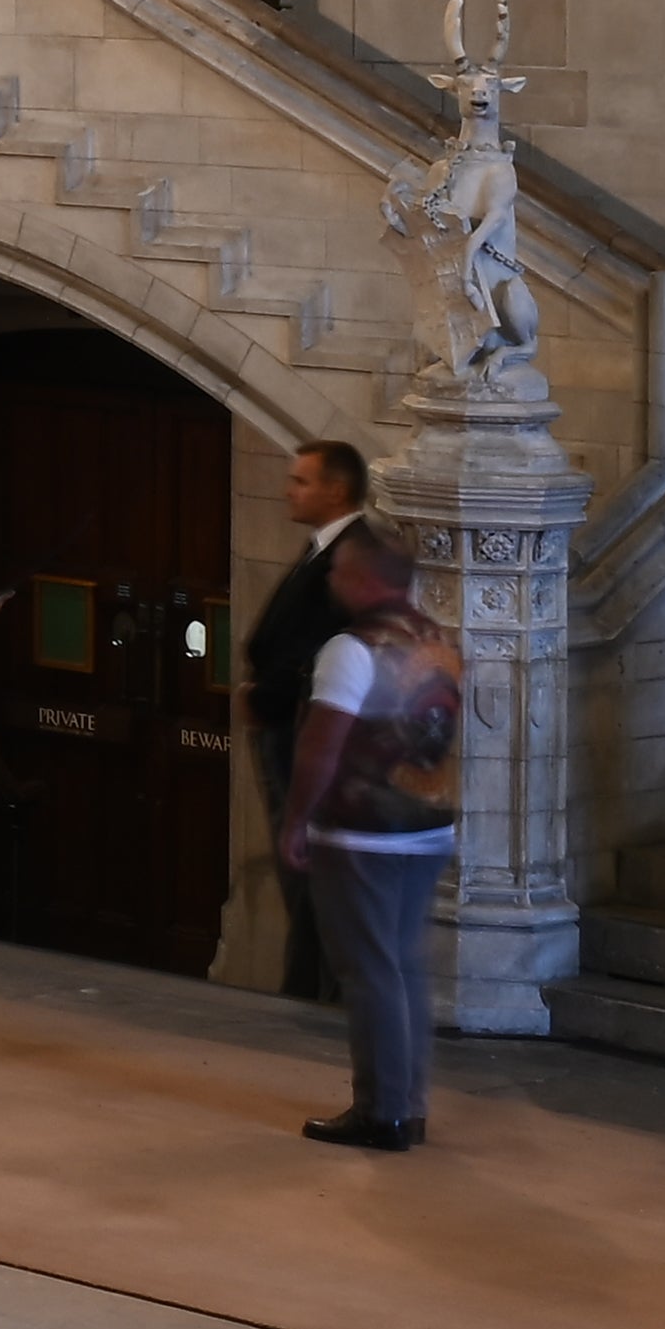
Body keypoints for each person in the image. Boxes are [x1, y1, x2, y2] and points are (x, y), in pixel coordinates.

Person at [272, 516, 461, 1150]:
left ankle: (382, 1113)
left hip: (361, 835)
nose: (330, 577)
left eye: (338, 569)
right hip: (428, 828)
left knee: (368, 972)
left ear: (360, 578)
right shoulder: (436, 639)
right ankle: (408, 1103)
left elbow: (321, 746)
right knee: (402, 968)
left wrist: (296, 819)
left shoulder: (350, 649)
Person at [240, 434, 373, 1001]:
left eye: (301, 481)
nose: (288, 491)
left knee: (311, 874)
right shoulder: (323, 547)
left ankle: (314, 998)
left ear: (335, 490)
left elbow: (320, 648)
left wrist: (270, 697)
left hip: (303, 733)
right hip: (282, 726)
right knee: (299, 880)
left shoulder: (353, 557)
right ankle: (304, 990)